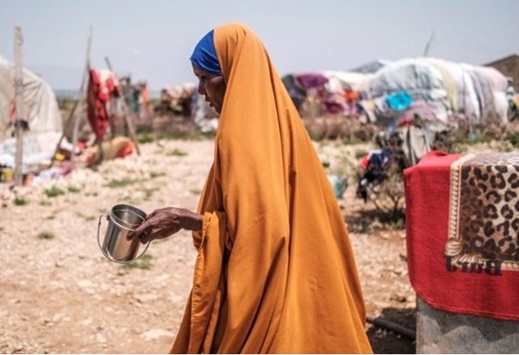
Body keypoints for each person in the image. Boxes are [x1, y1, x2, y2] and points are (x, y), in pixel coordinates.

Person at [131, 22, 373, 353]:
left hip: (271, 294)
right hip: (308, 276)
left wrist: (184, 219)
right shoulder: (282, 120)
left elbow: (261, 234)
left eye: (206, 79)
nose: (201, 92)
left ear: (232, 73)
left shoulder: (239, 137)